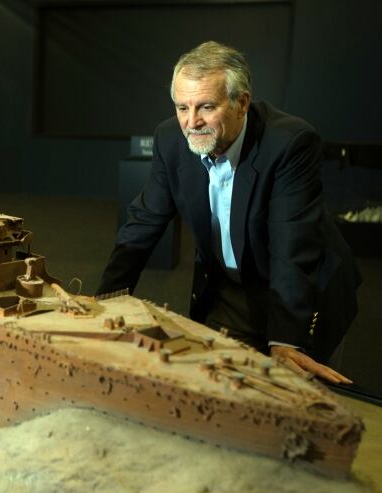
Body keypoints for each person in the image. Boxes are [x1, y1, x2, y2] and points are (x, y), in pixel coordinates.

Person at [96, 41, 361, 384]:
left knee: (292, 392)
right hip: (230, 284)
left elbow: (292, 246)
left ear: (242, 103)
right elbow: (143, 222)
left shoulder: (290, 143)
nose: (191, 122)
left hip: (302, 286)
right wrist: (103, 301)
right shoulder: (170, 139)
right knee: (217, 381)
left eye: (206, 106)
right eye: (182, 107)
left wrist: (284, 341)